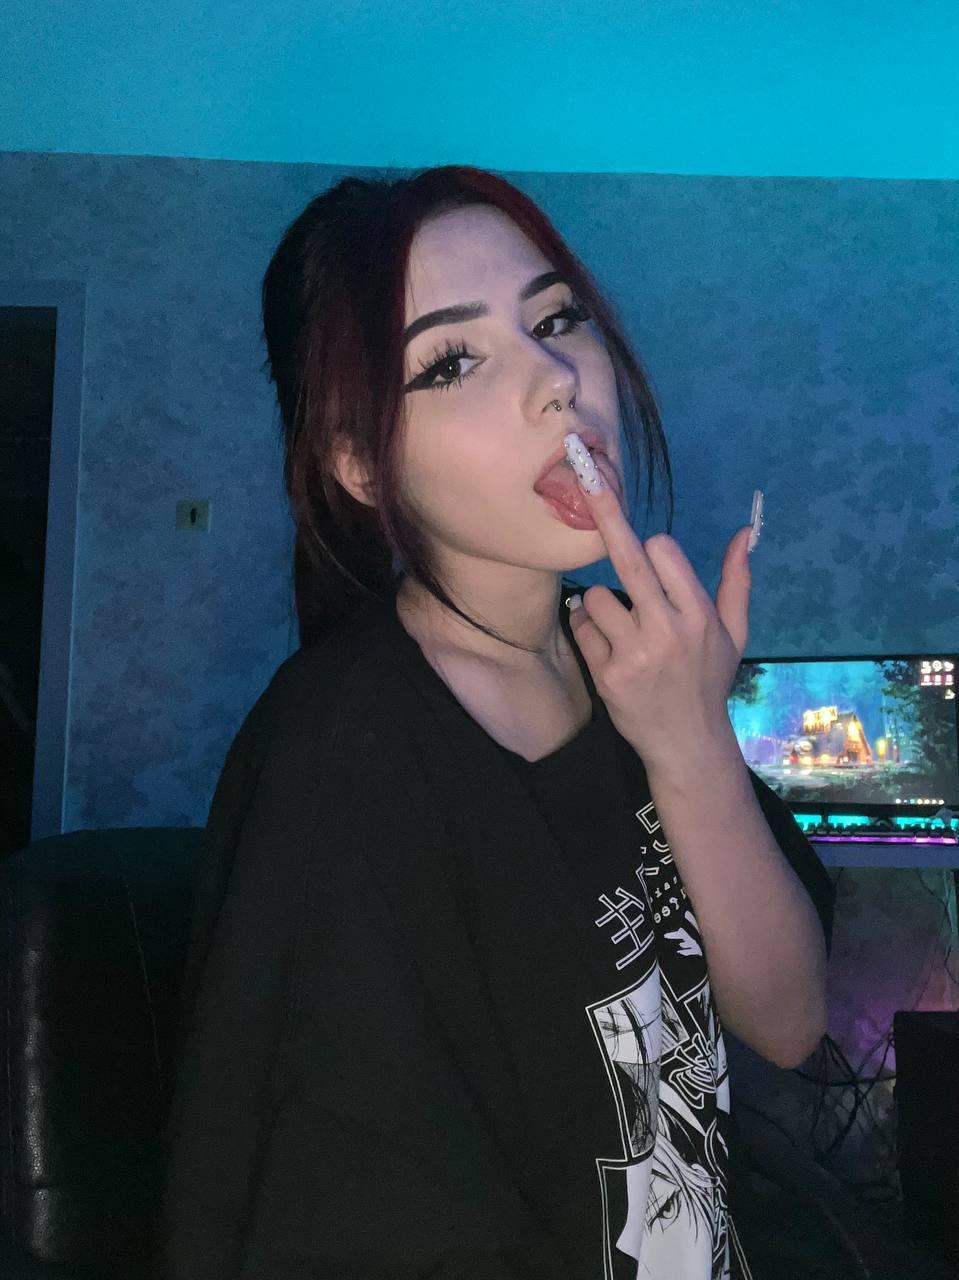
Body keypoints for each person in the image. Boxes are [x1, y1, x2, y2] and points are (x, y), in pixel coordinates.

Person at [159, 165, 834, 1280]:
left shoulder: (633, 665)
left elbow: (790, 1018)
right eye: (453, 361)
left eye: (556, 320)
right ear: (358, 460)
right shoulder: (344, 755)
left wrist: (691, 743)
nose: (556, 382)